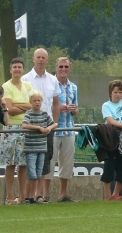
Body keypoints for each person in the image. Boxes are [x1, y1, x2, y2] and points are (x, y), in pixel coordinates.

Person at [22, 48, 60, 202]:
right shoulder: (25, 79)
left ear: (47, 60)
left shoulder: (53, 79)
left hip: (47, 127)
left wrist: (54, 122)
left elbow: (56, 104)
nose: (40, 60)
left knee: (44, 161)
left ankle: (38, 194)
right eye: (38, 57)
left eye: (43, 57)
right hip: (31, 127)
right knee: (28, 163)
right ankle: (26, 195)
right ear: (33, 59)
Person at [2, 57, 32, 204]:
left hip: (26, 127)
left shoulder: (27, 86)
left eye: (19, 67)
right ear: (10, 70)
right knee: (10, 162)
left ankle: (21, 196)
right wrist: (24, 106)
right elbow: (10, 110)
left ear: (23, 69)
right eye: (15, 67)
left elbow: (33, 105)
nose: (17, 70)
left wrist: (17, 105)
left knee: (23, 163)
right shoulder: (6, 86)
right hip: (11, 128)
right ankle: (9, 196)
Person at [21, 90, 57, 204]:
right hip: (31, 149)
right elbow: (24, 125)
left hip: (42, 148)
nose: (37, 103)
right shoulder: (28, 114)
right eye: (34, 101)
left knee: (38, 173)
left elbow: (54, 123)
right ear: (30, 102)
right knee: (31, 173)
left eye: (39, 100)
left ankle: (33, 196)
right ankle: (27, 197)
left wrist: (49, 128)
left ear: (42, 102)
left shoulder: (44, 114)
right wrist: (38, 128)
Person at [52, 57, 79, 202]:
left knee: (67, 163)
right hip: (54, 128)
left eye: (66, 67)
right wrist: (57, 108)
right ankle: (44, 194)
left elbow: (77, 109)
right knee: (50, 161)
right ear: (56, 68)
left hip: (69, 129)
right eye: (61, 66)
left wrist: (74, 110)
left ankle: (62, 194)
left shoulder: (73, 87)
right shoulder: (51, 84)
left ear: (70, 68)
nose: (63, 69)